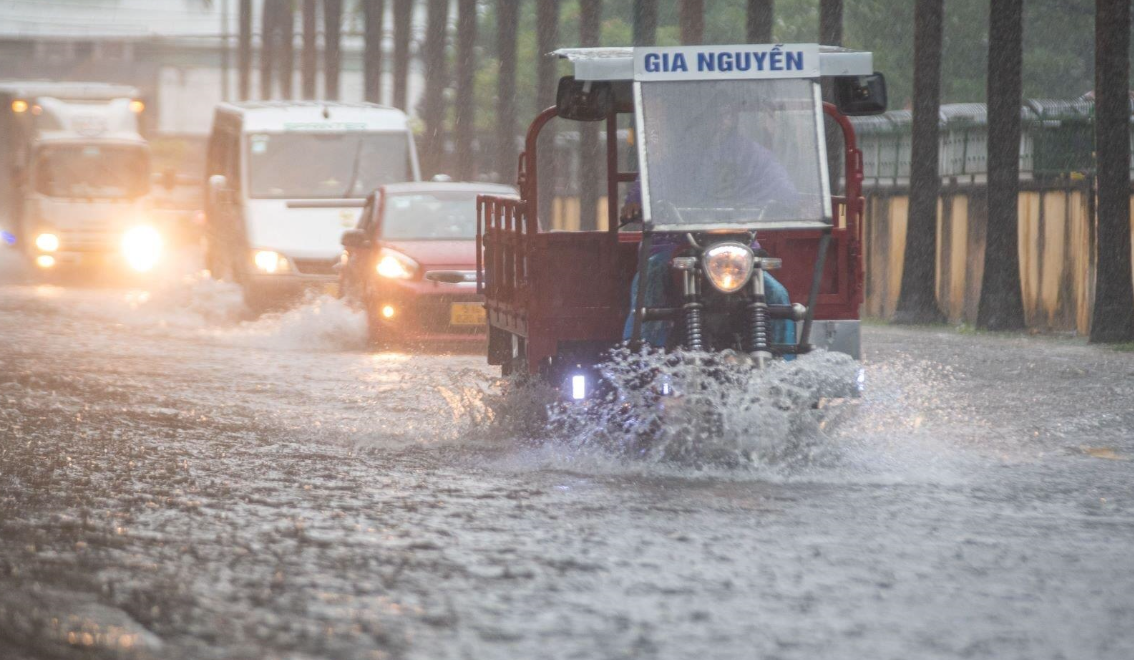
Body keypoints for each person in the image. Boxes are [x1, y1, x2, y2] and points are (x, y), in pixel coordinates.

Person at [622, 100, 798, 351]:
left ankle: (785, 363)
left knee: (778, 296)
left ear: (733, 118)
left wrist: (788, 201)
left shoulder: (753, 156)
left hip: (739, 247)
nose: (720, 121)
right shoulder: (677, 158)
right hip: (677, 245)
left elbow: (784, 189)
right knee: (648, 282)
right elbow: (649, 185)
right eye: (713, 115)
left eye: (726, 114)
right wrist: (636, 203)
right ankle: (641, 358)